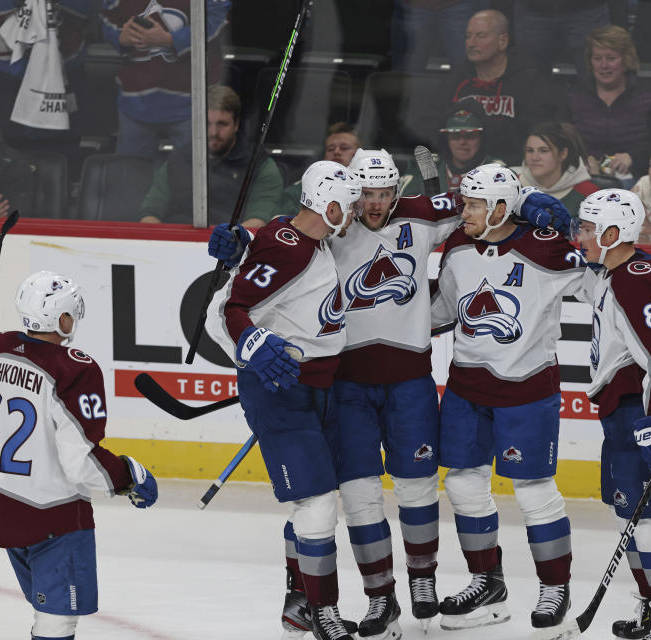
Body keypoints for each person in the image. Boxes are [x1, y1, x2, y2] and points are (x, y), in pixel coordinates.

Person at [209, 153, 575, 638]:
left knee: (417, 487)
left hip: (410, 383)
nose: (376, 204)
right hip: (347, 387)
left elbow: (486, 203)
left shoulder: (423, 212)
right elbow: (285, 240)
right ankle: (382, 600)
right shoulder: (332, 228)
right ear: (347, 194)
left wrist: (528, 199)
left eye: (385, 194)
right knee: (360, 497)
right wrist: (245, 248)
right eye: (366, 194)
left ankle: (422, 584)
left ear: (397, 192)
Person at [0, 270, 158, 640]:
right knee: (56, 620)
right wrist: (127, 477)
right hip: (54, 517)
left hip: (1, 511)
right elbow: (82, 464)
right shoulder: (74, 367)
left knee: (47, 609)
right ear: (61, 317)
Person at [205, 160, 363, 640]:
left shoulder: (297, 239)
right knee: (316, 505)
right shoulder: (289, 247)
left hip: (314, 388)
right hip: (280, 390)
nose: (355, 213)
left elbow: (270, 251)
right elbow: (232, 309)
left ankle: (299, 605)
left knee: (312, 504)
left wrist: (243, 249)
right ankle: (323, 611)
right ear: (331, 206)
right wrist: (251, 345)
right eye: (351, 205)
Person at [431, 164, 586, 639]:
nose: (465, 211)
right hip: (466, 387)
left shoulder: (546, 249)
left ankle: (555, 589)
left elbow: (601, 279)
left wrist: (572, 232)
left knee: (535, 491)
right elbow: (444, 310)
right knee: (462, 484)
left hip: (527, 389)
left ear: (501, 208)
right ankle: (488, 586)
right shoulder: (457, 245)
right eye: (465, 202)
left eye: (475, 204)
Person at [575, 188, 651, 639]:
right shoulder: (612, 271)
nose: (580, 237)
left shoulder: (633, 279)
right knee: (630, 517)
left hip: (638, 415)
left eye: (587, 229)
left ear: (612, 232)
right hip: (620, 414)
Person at [138, 84, 282, 227]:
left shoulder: (259, 166)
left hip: (231, 245)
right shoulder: (178, 160)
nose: (213, 132)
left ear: (236, 124)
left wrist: (223, 242)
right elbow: (149, 213)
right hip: (177, 242)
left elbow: (259, 220)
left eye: (222, 124)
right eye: (207, 123)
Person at [101, 0, 231, 157]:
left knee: (189, 175)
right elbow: (107, 17)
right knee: (131, 176)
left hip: (193, 102)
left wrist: (171, 40)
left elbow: (217, 20)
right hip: (136, 98)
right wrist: (120, 37)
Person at [0, 0, 101, 148]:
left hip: (64, 69)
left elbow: (86, 8)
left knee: (63, 149)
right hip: (1, 74)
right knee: (5, 152)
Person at [441, 9, 570, 165]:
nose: (471, 43)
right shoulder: (457, 79)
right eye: (468, 36)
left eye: (481, 36)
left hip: (514, 165)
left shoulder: (529, 80)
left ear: (503, 41)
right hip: (463, 165)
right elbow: (438, 124)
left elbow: (537, 132)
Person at [569, 25, 651, 185]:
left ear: (626, 61)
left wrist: (634, 158)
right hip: (583, 176)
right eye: (597, 58)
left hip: (635, 178)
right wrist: (580, 160)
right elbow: (561, 140)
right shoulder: (574, 95)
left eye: (611, 58)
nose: (603, 65)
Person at [405, 98, 504, 196]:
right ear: (446, 138)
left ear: (482, 138)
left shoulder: (498, 174)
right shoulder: (426, 169)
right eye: (455, 135)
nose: (462, 141)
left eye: (470, 135)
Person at [277, 121, 361, 217]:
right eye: (330, 149)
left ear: (359, 154)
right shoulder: (301, 189)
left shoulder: (370, 189)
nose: (336, 152)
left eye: (344, 148)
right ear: (324, 155)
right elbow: (280, 226)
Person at [513, 121, 599, 213]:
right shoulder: (512, 187)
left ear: (563, 154)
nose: (535, 157)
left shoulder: (588, 193)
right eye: (530, 150)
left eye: (543, 151)